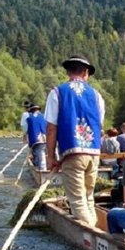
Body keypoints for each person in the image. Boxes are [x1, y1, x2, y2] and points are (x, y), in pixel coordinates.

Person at [44, 54, 105, 227]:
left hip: (72, 153)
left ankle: (92, 234)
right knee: (88, 197)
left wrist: (51, 157)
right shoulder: (97, 95)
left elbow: (51, 128)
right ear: (86, 73)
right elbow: (98, 126)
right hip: (93, 153)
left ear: (68, 72)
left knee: (77, 201)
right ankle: (96, 229)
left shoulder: (57, 93)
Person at [25, 102, 48, 170]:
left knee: (39, 154)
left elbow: (27, 131)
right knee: (42, 154)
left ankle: (41, 170)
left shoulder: (29, 119)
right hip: (46, 140)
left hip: (35, 141)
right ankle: (41, 167)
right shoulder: (44, 117)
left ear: (32, 111)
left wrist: (28, 143)